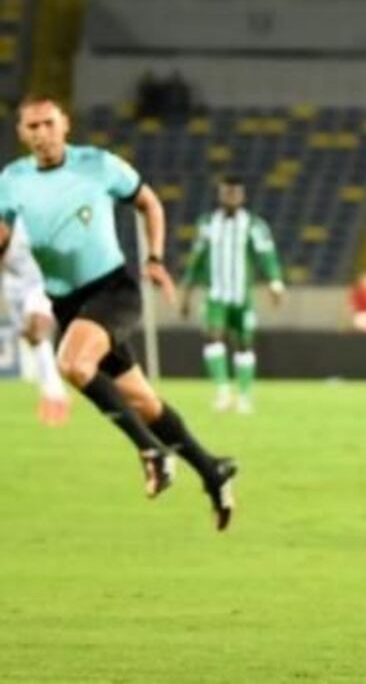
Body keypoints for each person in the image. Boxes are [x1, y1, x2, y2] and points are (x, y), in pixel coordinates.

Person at [0, 95, 237, 531]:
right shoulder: (12, 180)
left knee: (73, 363)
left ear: (65, 125)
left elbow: (150, 203)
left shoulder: (98, 164)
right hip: (69, 304)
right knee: (143, 402)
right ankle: (212, 470)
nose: (42, 134)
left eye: (49, 123)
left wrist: (155, 259)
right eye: (32, 126)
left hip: (112, 292)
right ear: (21, 133)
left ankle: (152, 453)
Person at [180, 176, 284, 414]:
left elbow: (267, 255)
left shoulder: (254, 225)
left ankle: (244, 396)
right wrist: (187, 292)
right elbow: (196, 259)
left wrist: (275, 283)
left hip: (242, 297)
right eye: (227, 193)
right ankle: (223, 391)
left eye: (235, 193)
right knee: (213, 337)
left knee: (244, 344)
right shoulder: (207, 223)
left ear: (242, 196)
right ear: (220, 195)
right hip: (216, 295)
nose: (231, 197)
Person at [0, 216, 70, 425]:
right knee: (31, 336)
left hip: (39, 279)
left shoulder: (25, 221)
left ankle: (55, 393)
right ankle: (51, 388)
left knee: (37, 327)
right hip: (13, 282)